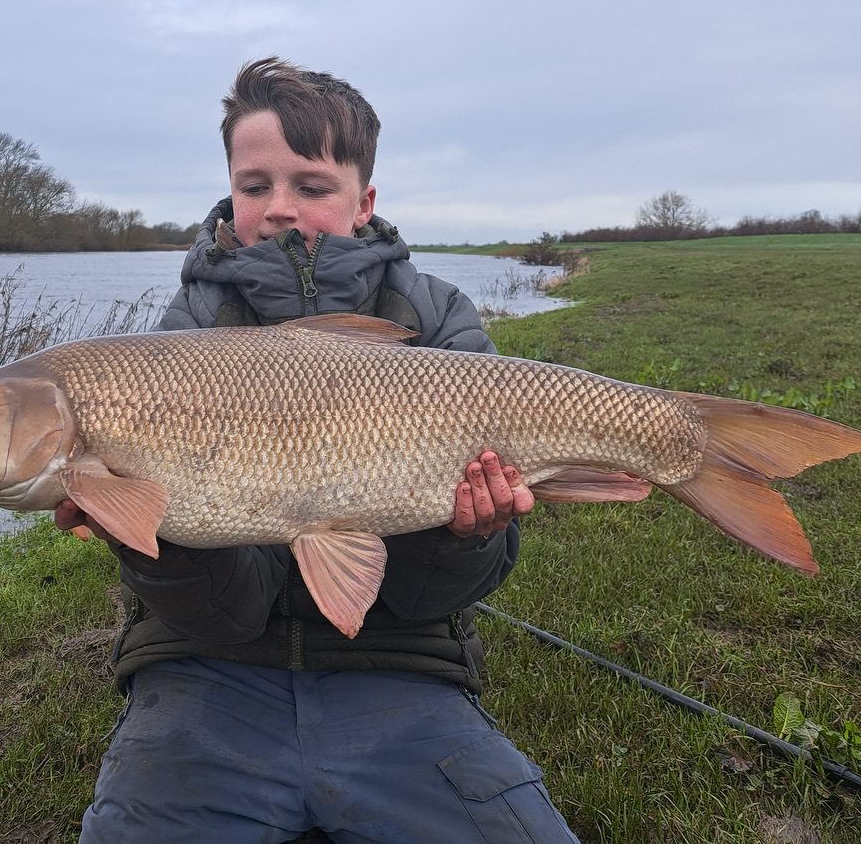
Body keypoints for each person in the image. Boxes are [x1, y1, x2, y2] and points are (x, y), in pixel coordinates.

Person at [54, 57, 580, 843]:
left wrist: (469, 530)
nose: (278, 209)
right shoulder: (187, 333)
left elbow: (437, 597)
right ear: (230, 188)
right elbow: (220, 612)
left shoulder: (434, 316)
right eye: (254, 183)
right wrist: (148, 535)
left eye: (311, 185)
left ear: (363, 201)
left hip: (399, 668)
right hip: (207, 672)